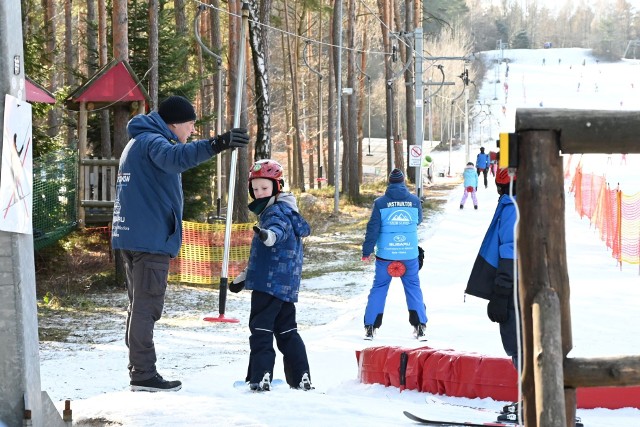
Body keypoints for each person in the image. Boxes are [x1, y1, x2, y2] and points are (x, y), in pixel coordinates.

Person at [112, 95, 249, 392]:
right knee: (146, 308)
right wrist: (217, 144)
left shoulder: (139, 141)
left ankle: (139, 369)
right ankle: (143, 374)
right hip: (149, 240)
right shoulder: (153, 142)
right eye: (190, 124)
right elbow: (176, 158)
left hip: (134, 236)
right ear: (174, 123)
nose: (192, 131)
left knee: (139, 307)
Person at [229, 159, 313, 392]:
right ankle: (301, 376)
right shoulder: (286, 210)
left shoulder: (275, 212)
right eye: (255, 189)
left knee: (261, 329)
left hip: (268, 286)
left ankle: (261, 375)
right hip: (285, 284)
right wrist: (244, 277)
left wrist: (268, 235)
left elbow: (278, 231)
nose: (258, 193)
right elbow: (266, 257)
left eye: (264, 188)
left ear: (277, 187)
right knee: (287, 330)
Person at [361, 168, 428, 341]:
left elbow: (373, 229)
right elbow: (418, 220)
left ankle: (370, 326)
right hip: (409, 254)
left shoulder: (380, 203)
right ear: (403, 182)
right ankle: (419, 325)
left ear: (389, 182)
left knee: (379, 288)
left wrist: (367, 252)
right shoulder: (414, 201)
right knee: (413, 287)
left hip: (386, 255)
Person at [465, 167, 519, 368]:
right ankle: (530, 395)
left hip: (515, 285)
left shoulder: (513, 207)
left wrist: (502, 290)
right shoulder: (524, 202)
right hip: (524, 282)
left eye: (500, 189)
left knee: (519, 344)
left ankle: (531, 395)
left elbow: (511, 249)